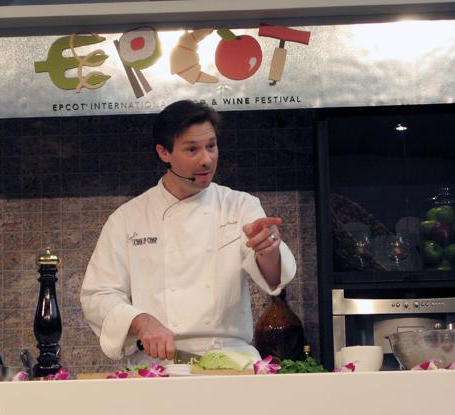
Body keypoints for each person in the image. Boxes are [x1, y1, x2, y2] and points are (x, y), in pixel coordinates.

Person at [80, 100, 297, 364]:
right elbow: (98, 295)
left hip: (230, 362)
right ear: (164, 153)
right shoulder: (128, 218)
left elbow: (274, 279)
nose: (206, 159)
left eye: (211, 146)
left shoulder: (240, 206)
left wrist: (269, 250)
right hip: (159, 366)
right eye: (192, 149)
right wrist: (140, 321)